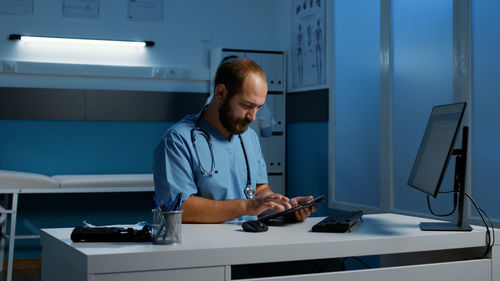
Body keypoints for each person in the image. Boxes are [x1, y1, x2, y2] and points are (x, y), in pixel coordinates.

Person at [153, 57, 317, 223]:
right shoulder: (177, 140)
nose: (253, 117)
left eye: (258, 107)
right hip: (204, 246)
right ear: (220, 93)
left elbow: (260, 189)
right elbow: (180, 208)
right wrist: (246, 207)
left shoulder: (249, 137)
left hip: (247, 241)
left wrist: (282, 208)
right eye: (247, 106)